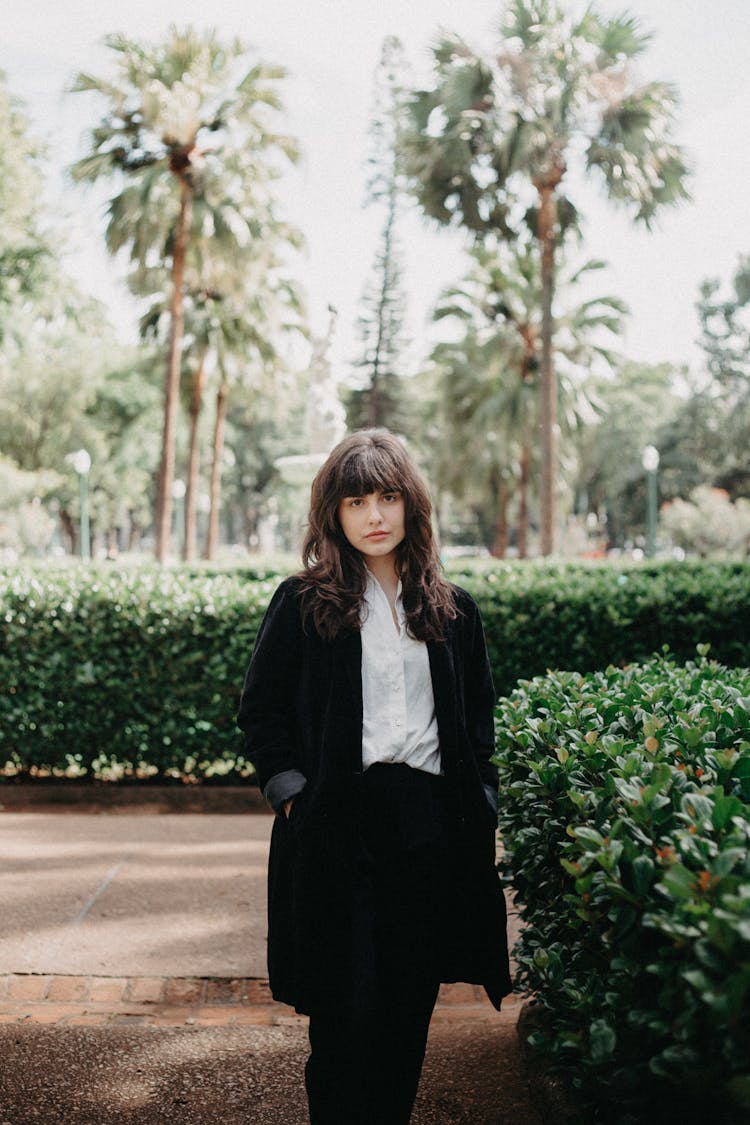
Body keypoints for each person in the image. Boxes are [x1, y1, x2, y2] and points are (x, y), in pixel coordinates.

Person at [237, 429, 512, 1125]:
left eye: (388, 495)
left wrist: (480, 797)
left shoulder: (452, 608)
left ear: (411, 503)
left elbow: (478, 720)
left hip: (427, 822)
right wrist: (293, 794)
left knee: (406, 1004)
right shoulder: (305, 603)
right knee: (343, 1009)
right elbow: (260, 708)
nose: (374, 514)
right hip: (338, 821)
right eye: (356, 499)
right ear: (334, 512)